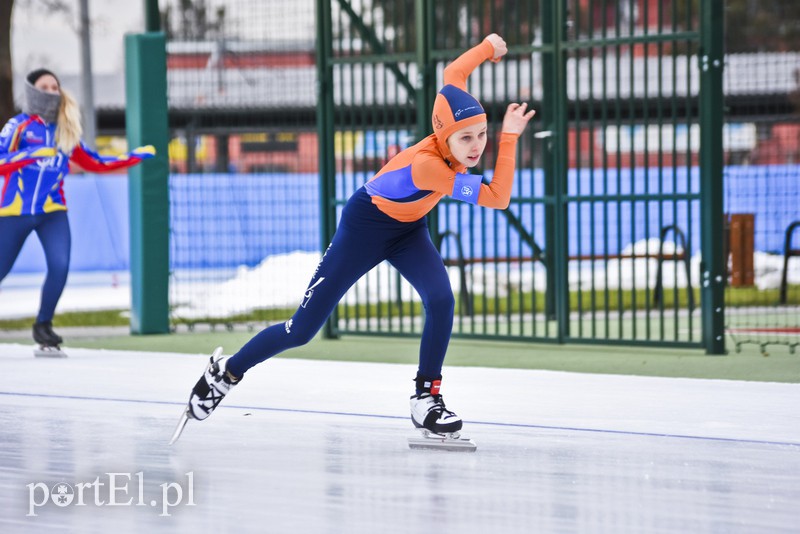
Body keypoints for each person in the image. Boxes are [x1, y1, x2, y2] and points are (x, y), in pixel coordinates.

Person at [183, 34, 536, 437]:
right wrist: (508, 137)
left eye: (482, 135)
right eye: (466, 138)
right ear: (443, 137)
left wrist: (488, 47)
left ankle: (426, 398)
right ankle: (225, 374)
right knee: (301, 330)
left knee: (441, 299)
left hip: (408, 230)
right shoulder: (427, 166)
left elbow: (453, 72)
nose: (476, 147)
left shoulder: (451, 117)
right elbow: (497, 196)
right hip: (364, 227)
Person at [0, 68, 154, 351]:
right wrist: (30, 154)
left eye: (55, 87)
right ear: (33, 90)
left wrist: (133, 158)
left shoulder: (65, 131)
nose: (51, 91)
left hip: (53, 212)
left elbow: (95, 162)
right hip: (14, 211)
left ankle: (43, 326)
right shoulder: (18, 125)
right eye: (45, 86)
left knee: (60, 266)